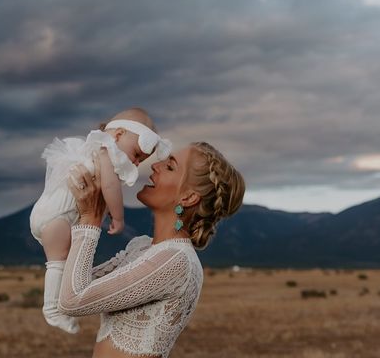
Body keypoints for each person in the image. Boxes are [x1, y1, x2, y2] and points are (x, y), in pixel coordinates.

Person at [58, 141, 245, 358]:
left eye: (170, 166)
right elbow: (68, 287)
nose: (156, 165)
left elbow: (72, 301)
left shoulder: (176, 261)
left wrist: (91, 218)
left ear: (188, 197)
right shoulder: (141, 246)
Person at [29, 107, 172, 333]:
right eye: (136, 155)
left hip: (51, 214)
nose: (136, 163)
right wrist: (118, 217)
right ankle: (53, 310)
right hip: (58, 216)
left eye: (140, 160)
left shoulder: (94, 150)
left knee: (63, 265)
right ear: (118, 135)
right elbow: (109, 187)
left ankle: (60, 303)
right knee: (58, 264)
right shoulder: (104, 152)